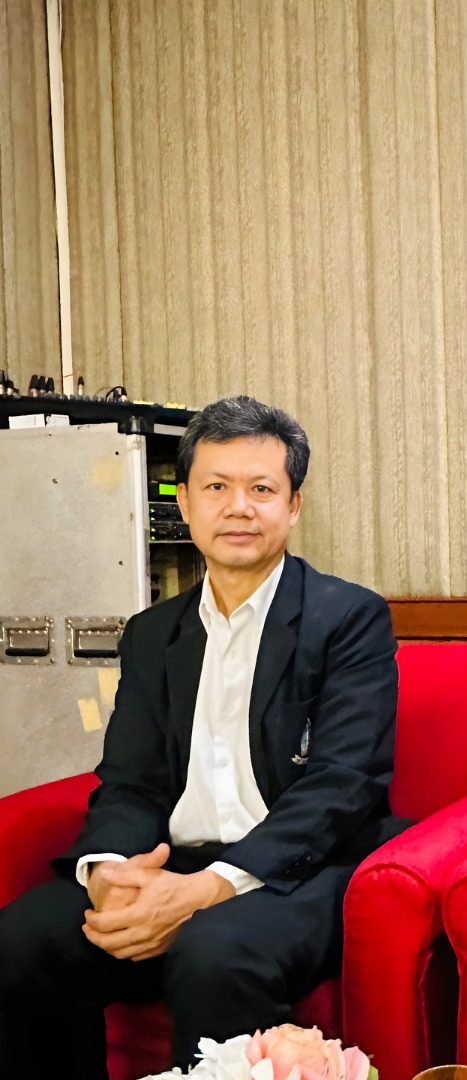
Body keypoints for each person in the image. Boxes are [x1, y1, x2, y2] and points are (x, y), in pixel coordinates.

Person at [0, 395, 406, 1078]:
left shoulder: (348, 619)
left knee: (215, 953)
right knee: (22, 941)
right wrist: (109, 875)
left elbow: (343, 784)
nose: (238, 507)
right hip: (175, 860)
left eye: (261, 489)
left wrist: (201, 892)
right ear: (185, 503)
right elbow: (130, 781)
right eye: (216, 487)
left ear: (294, 506)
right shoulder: (153, 634)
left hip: (299, 872)